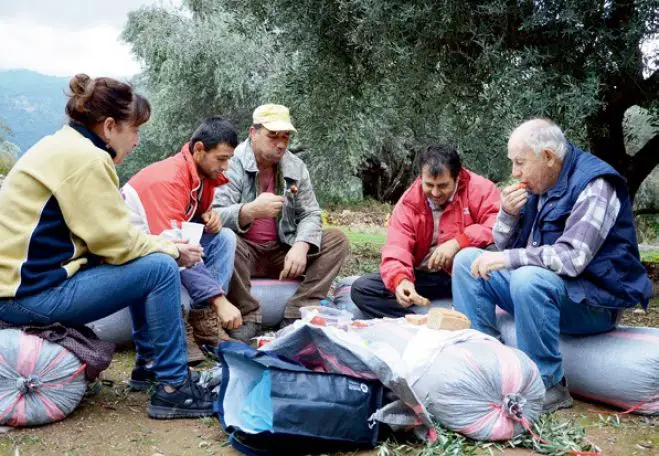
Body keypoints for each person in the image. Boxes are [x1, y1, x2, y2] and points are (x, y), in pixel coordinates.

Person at [0, 74, 214, 419]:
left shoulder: (65, 145)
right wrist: (172, 249)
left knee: (149, 261)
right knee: (159, 268)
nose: (137, 140)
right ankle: (174, 388)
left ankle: (150, 366)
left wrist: (158, 244)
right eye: (135, 130)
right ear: (111, 126)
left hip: (20, 290)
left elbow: (108, 239)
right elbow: (115, 243)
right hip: (27, 298)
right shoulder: (86, 158)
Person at [451, 118, 653, 413]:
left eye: (520, 162)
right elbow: (506, 248)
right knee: (467, 261)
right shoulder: (540, 183)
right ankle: (489, 368)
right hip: (549, 290)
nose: (514, 172)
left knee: (528, 279)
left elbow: (572, 259)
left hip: (594, 303)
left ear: (548, 156)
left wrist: (508, 260)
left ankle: (549, 385)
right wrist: (507, 214)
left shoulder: (596, 185)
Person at [213, 104, 350, 337]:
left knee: (337, 240)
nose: (281, 144)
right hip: (244, 252)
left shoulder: (295, 166)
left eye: (285, 137)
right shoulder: (232, 162)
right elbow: (215, 214)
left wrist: (301, 245)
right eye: (272, 136)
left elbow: (311, 213)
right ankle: (248, 315)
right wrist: (250, 211)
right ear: (253, 133)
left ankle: (298, 310)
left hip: (282, 250)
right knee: (225, 239)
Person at [123, 117, 239, 363]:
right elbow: (176, 248)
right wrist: (220, 300)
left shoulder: (201, 176)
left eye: (229, 158)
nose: (226, 166)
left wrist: (207, 217)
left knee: (224, 237)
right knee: (168, 259)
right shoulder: (168, 180)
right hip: (135, 256)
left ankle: (204, 321)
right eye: (221, 159)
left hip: (162, 243)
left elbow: (185, 221)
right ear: (199, 150)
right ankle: (179, 326)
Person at [351, 144, 501, 318]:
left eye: (443, 186)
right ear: (420, 177)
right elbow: (397, 247)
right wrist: (401, 280)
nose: (435, 193)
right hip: (427, 276)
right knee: (362, 289)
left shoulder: (481, 189)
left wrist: (458, 243)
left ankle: (479, 316)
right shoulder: (409, 202)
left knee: (494, 252)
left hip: (468, 273)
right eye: (429, 185)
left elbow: (498, 227)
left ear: (457, 177)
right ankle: (414, 322)